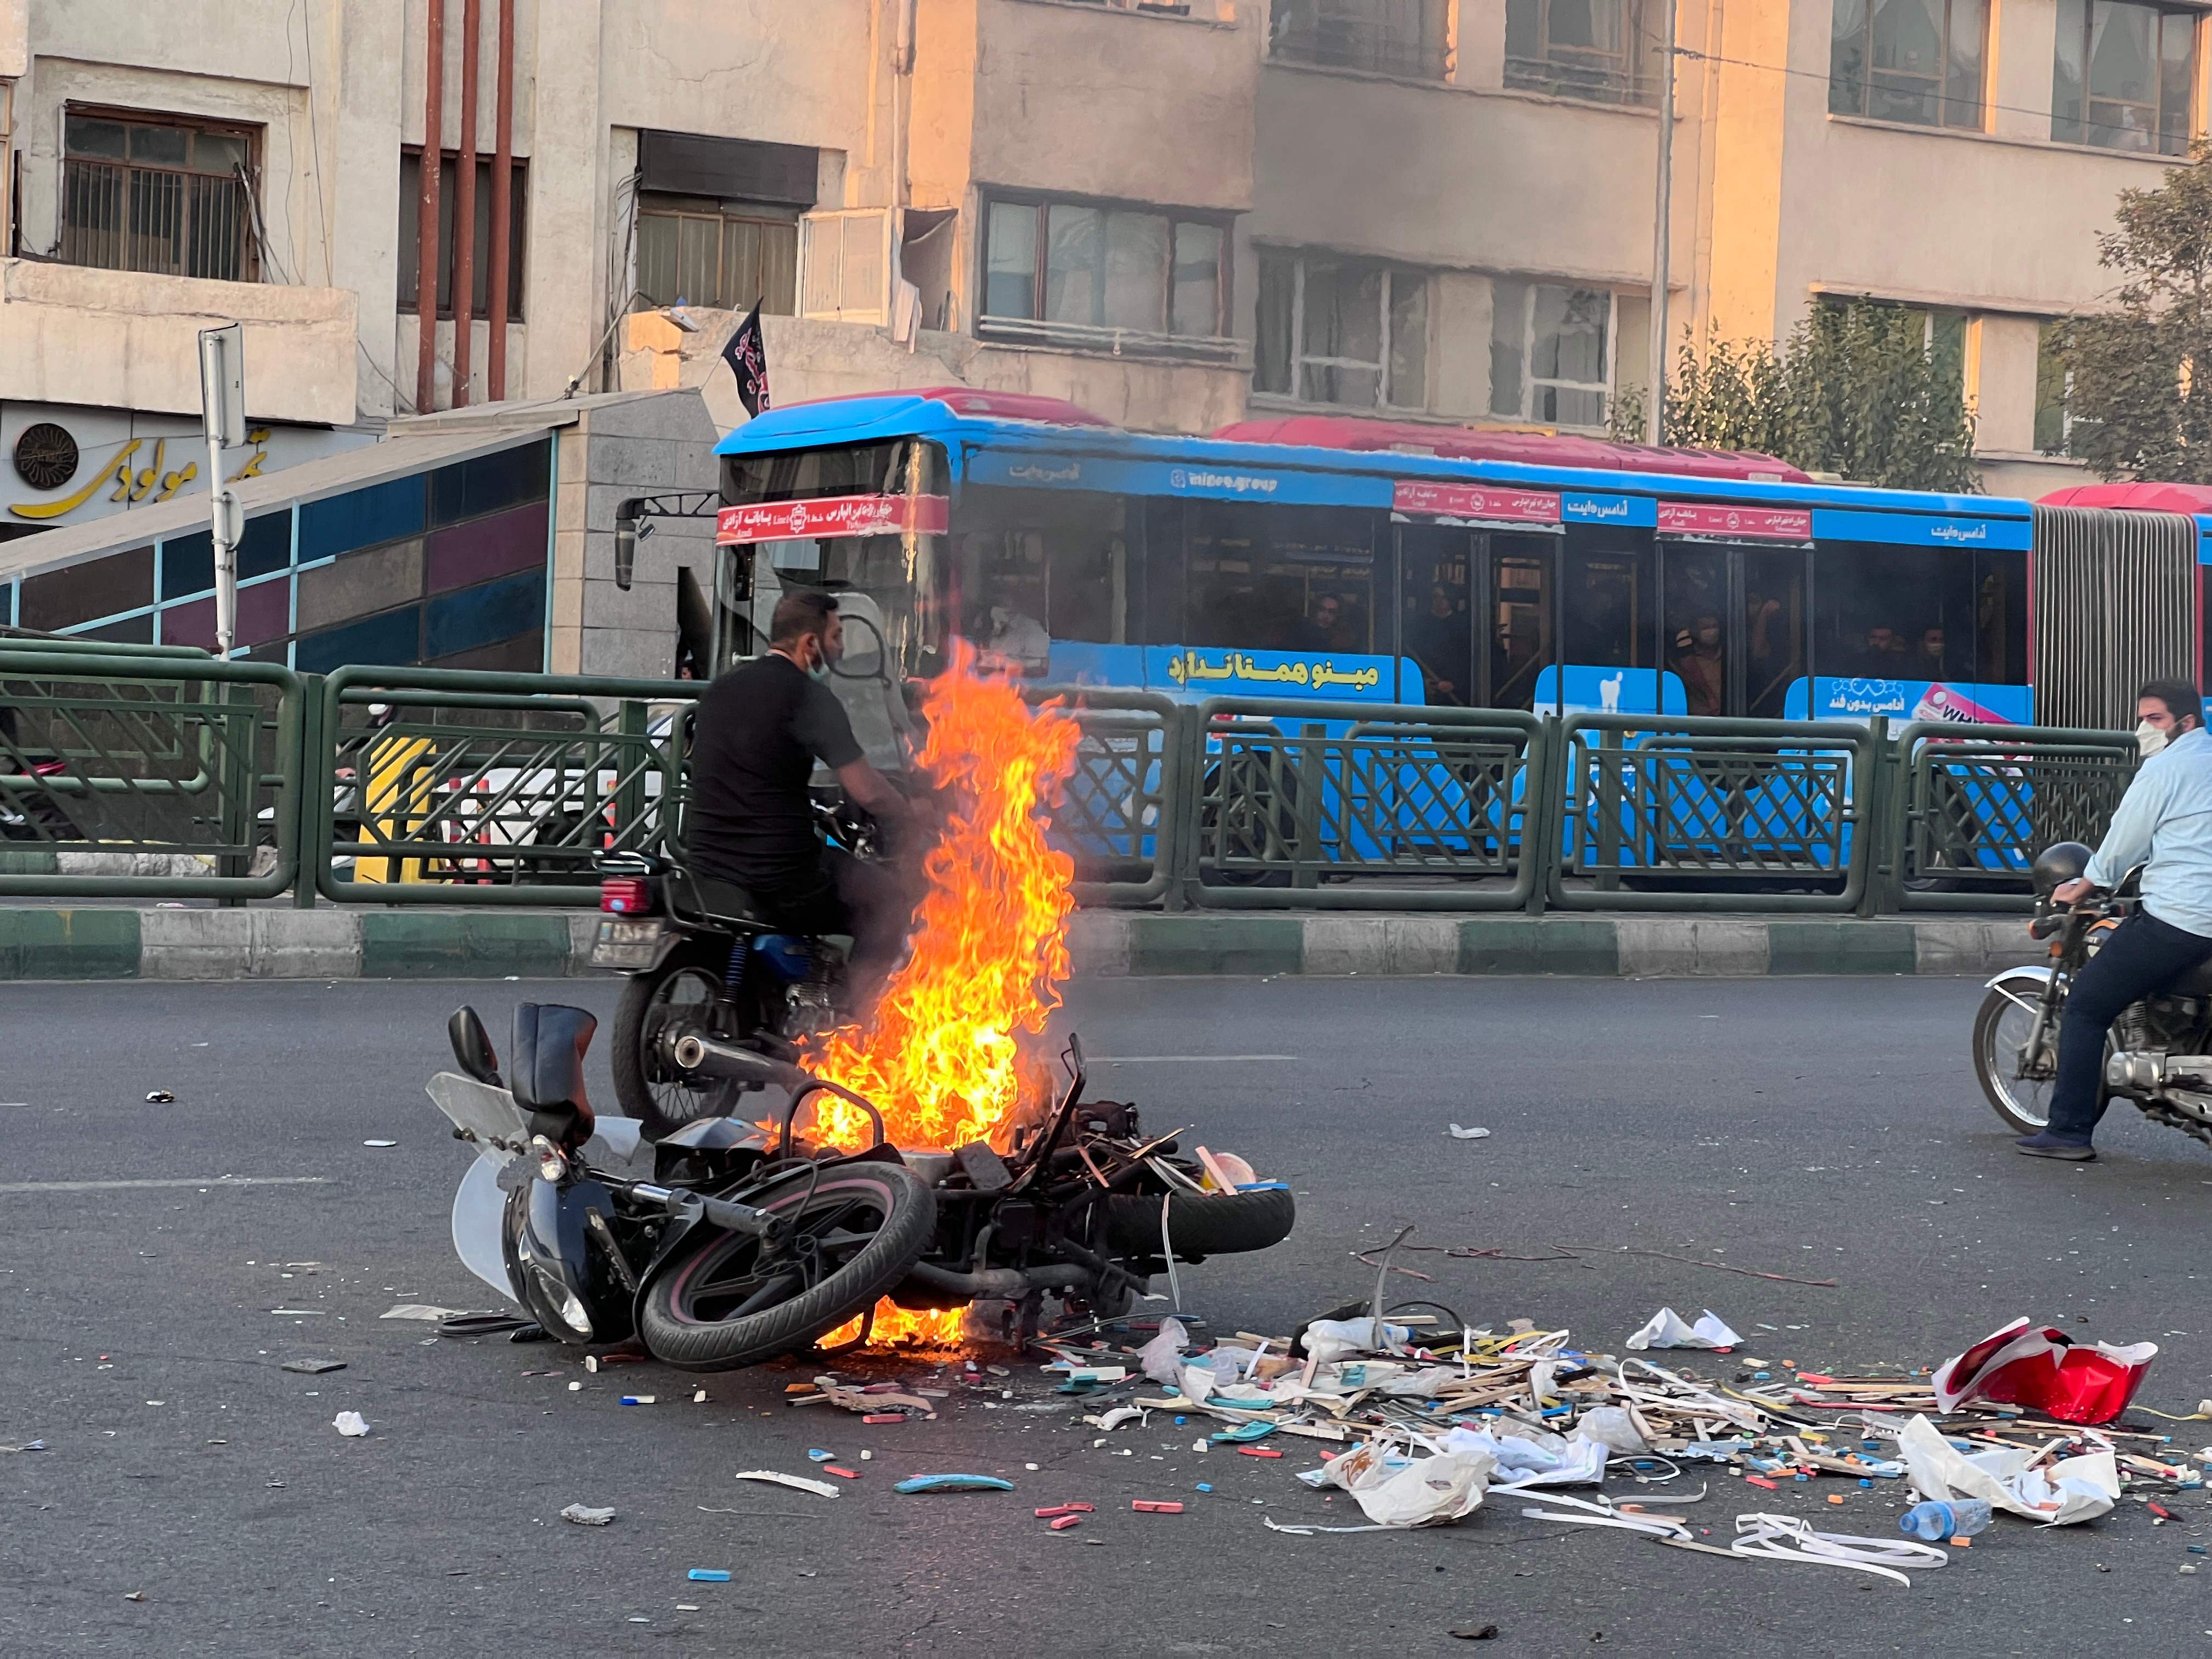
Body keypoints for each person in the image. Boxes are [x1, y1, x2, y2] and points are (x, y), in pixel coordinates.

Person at [684, 589, 918, 1001]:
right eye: (836, 636)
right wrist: (908, 814)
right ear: (811, 644)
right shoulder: (810, 696)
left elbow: (752, 765)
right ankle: (854, 1027)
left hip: (707, 863)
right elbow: (867, 790)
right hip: (781, 875)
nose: (841, 647)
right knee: (891, 902)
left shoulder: (720, 690)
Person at [2018, 679, 2212, 1160]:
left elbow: (2124, 843)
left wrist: (2084, 886)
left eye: (2155, 720)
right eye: (2142, 718)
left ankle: (2068, 1131)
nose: (2144, 729)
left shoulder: (2165, 769)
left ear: (2185, 723)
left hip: (2182, 916)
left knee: (2086, 1005)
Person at [1671, 613, 1725, 716]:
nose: (1712, 631)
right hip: (1696, 721)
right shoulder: (1686, 662)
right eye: (1706, 628)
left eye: (1715, 626)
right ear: (1696, 632)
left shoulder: (1729, 658)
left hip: (1726, 720)